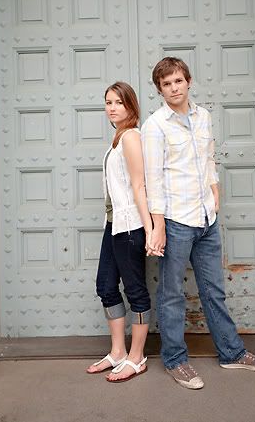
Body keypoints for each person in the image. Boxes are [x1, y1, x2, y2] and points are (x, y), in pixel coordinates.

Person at [141, 57, 255, 390]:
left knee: (214, 290)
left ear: (188, 81)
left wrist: (215, 193)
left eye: (178, 81)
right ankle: (175, 361)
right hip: (175, 220)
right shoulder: (155, 126)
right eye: (166, 84)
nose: (174, 88)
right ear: (160, 89)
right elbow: (153, 179)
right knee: (172, 294)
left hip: (206, 218)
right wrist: (157, 226)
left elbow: (209, 160)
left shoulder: (204, 118)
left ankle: (232, 353)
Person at [86, 81, 157, 382]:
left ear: (130, 105)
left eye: (118, 102)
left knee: (136, 291)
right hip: (113, 225)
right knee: (105, 286)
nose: (112, 108)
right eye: (108, 102)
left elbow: (140, 186)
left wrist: (150, 230)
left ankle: (136, 357)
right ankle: (117, 352)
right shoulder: (118, 138)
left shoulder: (130, 137)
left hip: (130, 227)